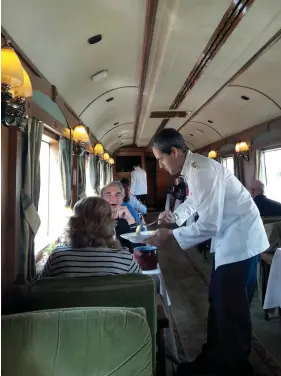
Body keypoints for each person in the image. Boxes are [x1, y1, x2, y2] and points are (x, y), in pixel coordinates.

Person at [146, 129, 269, 376]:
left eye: (161, 159)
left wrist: (170, 235)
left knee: (232, 308)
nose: (160, 165)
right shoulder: (192, 168)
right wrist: (174, 217)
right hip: (230, 240)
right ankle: (214, 357)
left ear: (175, 152)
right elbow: (195, 202)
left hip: (240, 243)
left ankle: (234, 367)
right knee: (218, 300)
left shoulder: (202, 170)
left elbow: (210, 224)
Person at [40, 197, 141, 278]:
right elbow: (143, 288)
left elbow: (40, 289)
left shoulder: (57, 258)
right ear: (109, 224)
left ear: (73, 223)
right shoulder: (124, 259)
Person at [101, 181, 140, 250]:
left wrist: (131, 221)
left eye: (118, 195)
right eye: (109, 195)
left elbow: (139, 249)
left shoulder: (127, 219)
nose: (113, 199)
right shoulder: (94, 220)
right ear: (101, 199)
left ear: (122, 198)